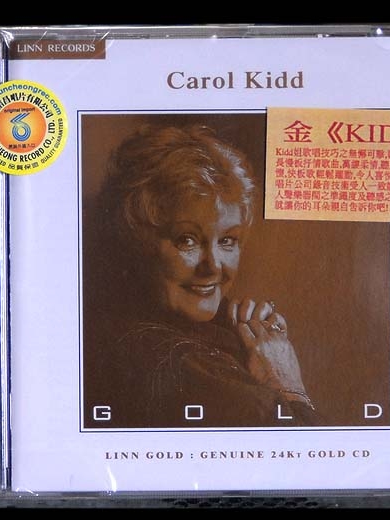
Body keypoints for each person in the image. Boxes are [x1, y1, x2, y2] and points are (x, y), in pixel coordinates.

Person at [84, 124, 319, 428]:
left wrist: (248, 333)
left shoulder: (170, 333)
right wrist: (287, 384)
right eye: (187, 240)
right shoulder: (185, 368)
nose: (213, 266)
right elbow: (307, 450)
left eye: (227, 240)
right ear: (138, 242)